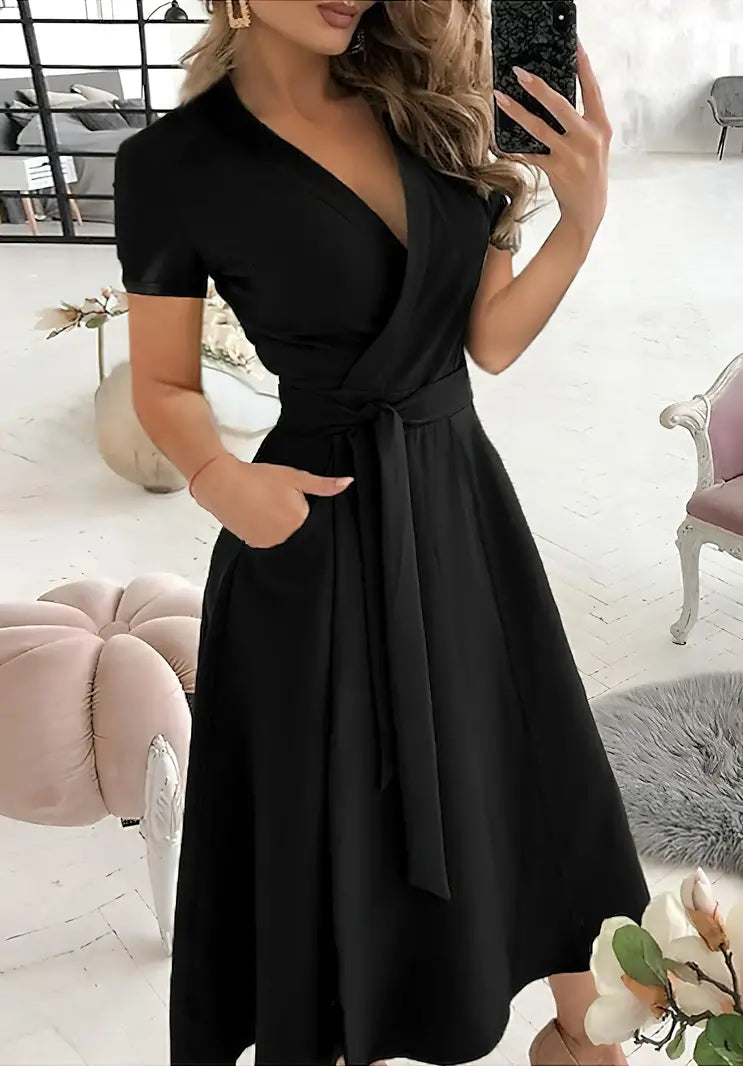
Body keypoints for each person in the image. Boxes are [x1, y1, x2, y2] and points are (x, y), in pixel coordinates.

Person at [113, 1, 650, 1063]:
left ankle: (585, 1041)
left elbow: (488, 339)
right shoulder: (171, 165)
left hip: (462, 506)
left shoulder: (427, 107)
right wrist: (220, 478)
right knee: (341, 824)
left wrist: (580, 224)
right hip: (309, 537)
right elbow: (163, 383)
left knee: (529, 771)